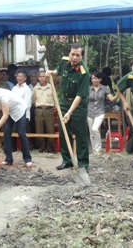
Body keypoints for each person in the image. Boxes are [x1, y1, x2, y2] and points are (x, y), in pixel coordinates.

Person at [46, 43, 90, 171]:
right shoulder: (65, 62)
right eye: (72, 54)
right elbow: (58, 71)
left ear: (82, 56)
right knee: (64, 132)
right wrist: (51, 72)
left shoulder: (84, 72)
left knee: (80, 134)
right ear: (69, 53)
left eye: (78, 55)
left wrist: (70, 112)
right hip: (64, 102)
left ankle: (83, 163)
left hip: (78, 105)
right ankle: (67, 160)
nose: (74, 57)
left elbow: (80, 96)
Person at [0, 77, 32, 167]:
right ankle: (8, 159)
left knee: (21, 133)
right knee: (7, 132)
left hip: (19, 110)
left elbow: (5, 115)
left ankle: (27, 159)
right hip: (9, 111)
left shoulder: (3, 95)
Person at [87, 70, 118, 155]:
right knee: (91, 133)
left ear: (100, 79)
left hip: (100, 112)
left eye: (96, 78)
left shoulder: (105, 88)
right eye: (92, 78)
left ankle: (99, 149)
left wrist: (118, 94)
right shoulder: (88, 89)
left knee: (95, 129)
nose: (94, 80)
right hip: (89, 112)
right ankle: (94, 151)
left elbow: (111, 99)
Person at [32, 71, 55, 153]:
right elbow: (34, 100)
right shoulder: (35, 88)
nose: (42, 78)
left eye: (43, 76)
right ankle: (41, 148)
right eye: (40, 76)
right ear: (38, 78)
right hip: (39, 110)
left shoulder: (51, 87)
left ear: (47, 78)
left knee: (50, 130)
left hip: (49, 110)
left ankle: (50, 149)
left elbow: (55, 100)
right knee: (39, 130)